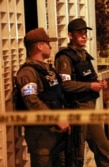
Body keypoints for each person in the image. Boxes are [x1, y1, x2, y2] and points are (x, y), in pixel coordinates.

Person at [54, 18, 109, 167]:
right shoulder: (65, 57)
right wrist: (90, 86)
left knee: (102, 146)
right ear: (70, 35)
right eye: (80, 33)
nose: (84, 36)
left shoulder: (83, 55)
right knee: (76, 153)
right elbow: (65, 84)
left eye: (85, 33)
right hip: (77, 108)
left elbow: (88, 78)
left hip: (90, 107)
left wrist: (98, 84)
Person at [15, 28, 70, 167]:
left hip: (56, 134)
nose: (50, 46)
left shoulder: (47, 69)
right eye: (47, 43)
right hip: (41, 136)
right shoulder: (28, 72)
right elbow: (32, 102)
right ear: (39, 46)